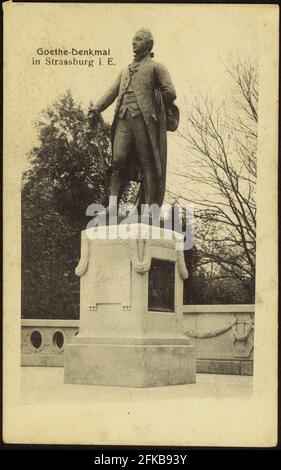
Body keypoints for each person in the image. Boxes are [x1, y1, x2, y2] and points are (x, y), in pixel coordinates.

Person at [90, 28, 178, 215]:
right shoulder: (125, 70)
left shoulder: (156, 67)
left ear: (148, 44)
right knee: (118, 161)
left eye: (137, 39)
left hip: (145, 122)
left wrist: (154, 102)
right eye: (133, 39)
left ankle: (147, 209)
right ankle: (112, 207)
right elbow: (111, 92)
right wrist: (96, 108)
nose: (133, 42)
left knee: (148, 164)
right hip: (123, 119)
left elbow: (170, 92)